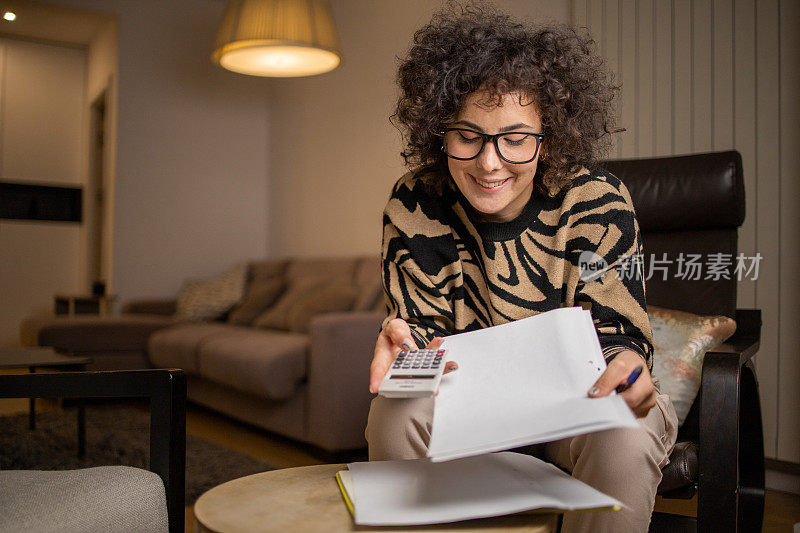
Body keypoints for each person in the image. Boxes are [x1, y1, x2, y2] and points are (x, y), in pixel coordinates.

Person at [365, 4, 679, 532]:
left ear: (548, 138)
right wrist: (405, 344)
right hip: (470, 407)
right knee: (396, 412)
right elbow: (422, 328)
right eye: (468, 136)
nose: (490, 162)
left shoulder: (596, 201)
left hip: (577, 405)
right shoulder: (415, 201)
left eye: (515, 138)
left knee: (625, 428)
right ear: (438, 132)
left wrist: (628, 362)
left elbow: (618, 336)